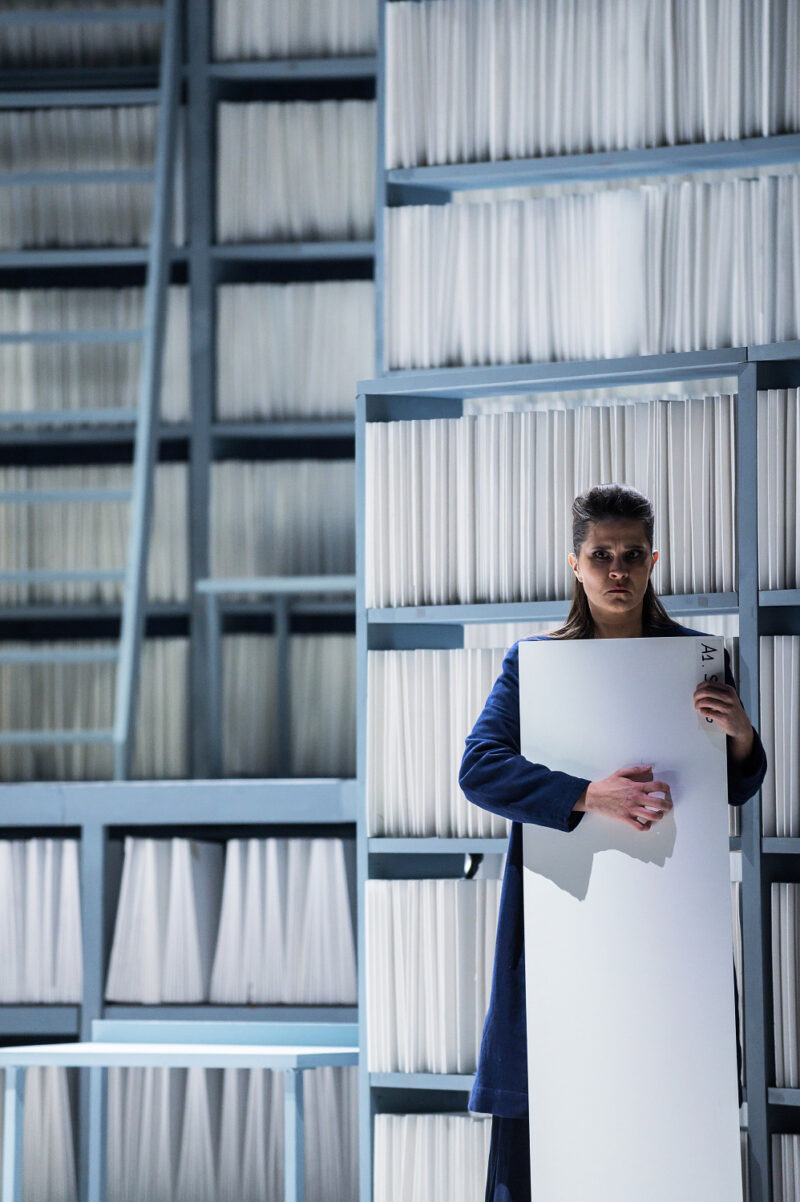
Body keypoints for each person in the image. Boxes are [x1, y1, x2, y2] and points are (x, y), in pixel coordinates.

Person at [459, 482, 768, 1202]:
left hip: (666, 923)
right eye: (602, 556)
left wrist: (743, 734)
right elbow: (479, 769)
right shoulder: (535, 665)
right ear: (575, 563)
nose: (618, 570)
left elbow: (737, 787)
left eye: (633, 555)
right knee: (557, 1128)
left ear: (654, 559)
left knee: (668, 1121)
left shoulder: (700, 660)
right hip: (567, 915)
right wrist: (589, 795)